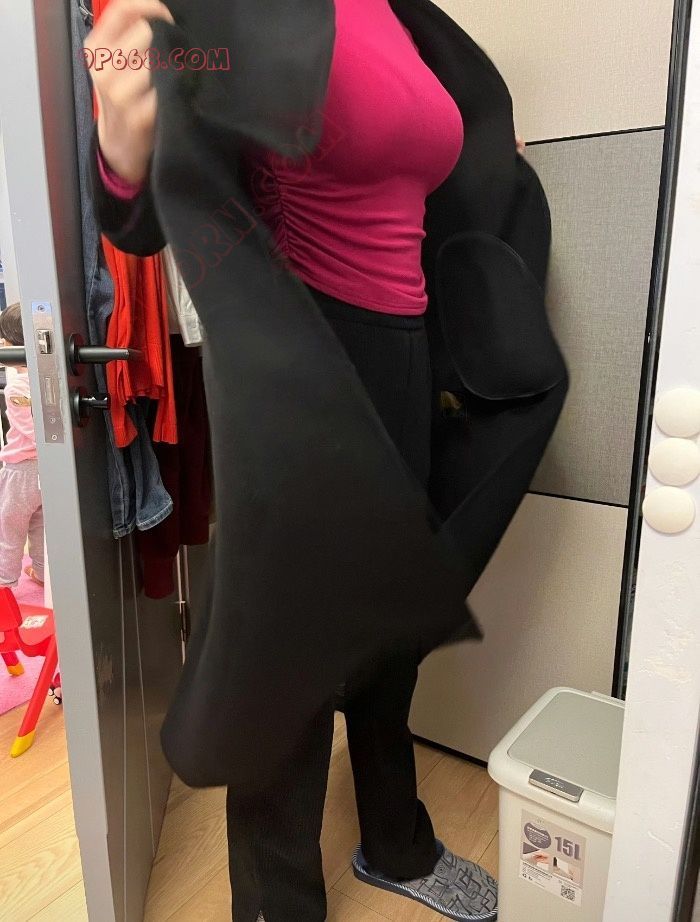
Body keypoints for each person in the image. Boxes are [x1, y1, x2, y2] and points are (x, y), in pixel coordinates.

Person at [84, 1, 522, 919]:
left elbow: (436, 161)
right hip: (301, 345)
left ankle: (395, 843)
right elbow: (145, 201)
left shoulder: (405, 17)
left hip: (411, 344)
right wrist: (123, 152)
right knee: (288, 661)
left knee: (392, 624)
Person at [0, 303, 44, 589]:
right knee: (40, 524)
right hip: (45, 469)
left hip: (20, 471)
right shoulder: (46, 379)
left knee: (10, 527)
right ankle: (42, 571)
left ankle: (5, 579)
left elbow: (31, 431)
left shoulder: (16, 387)